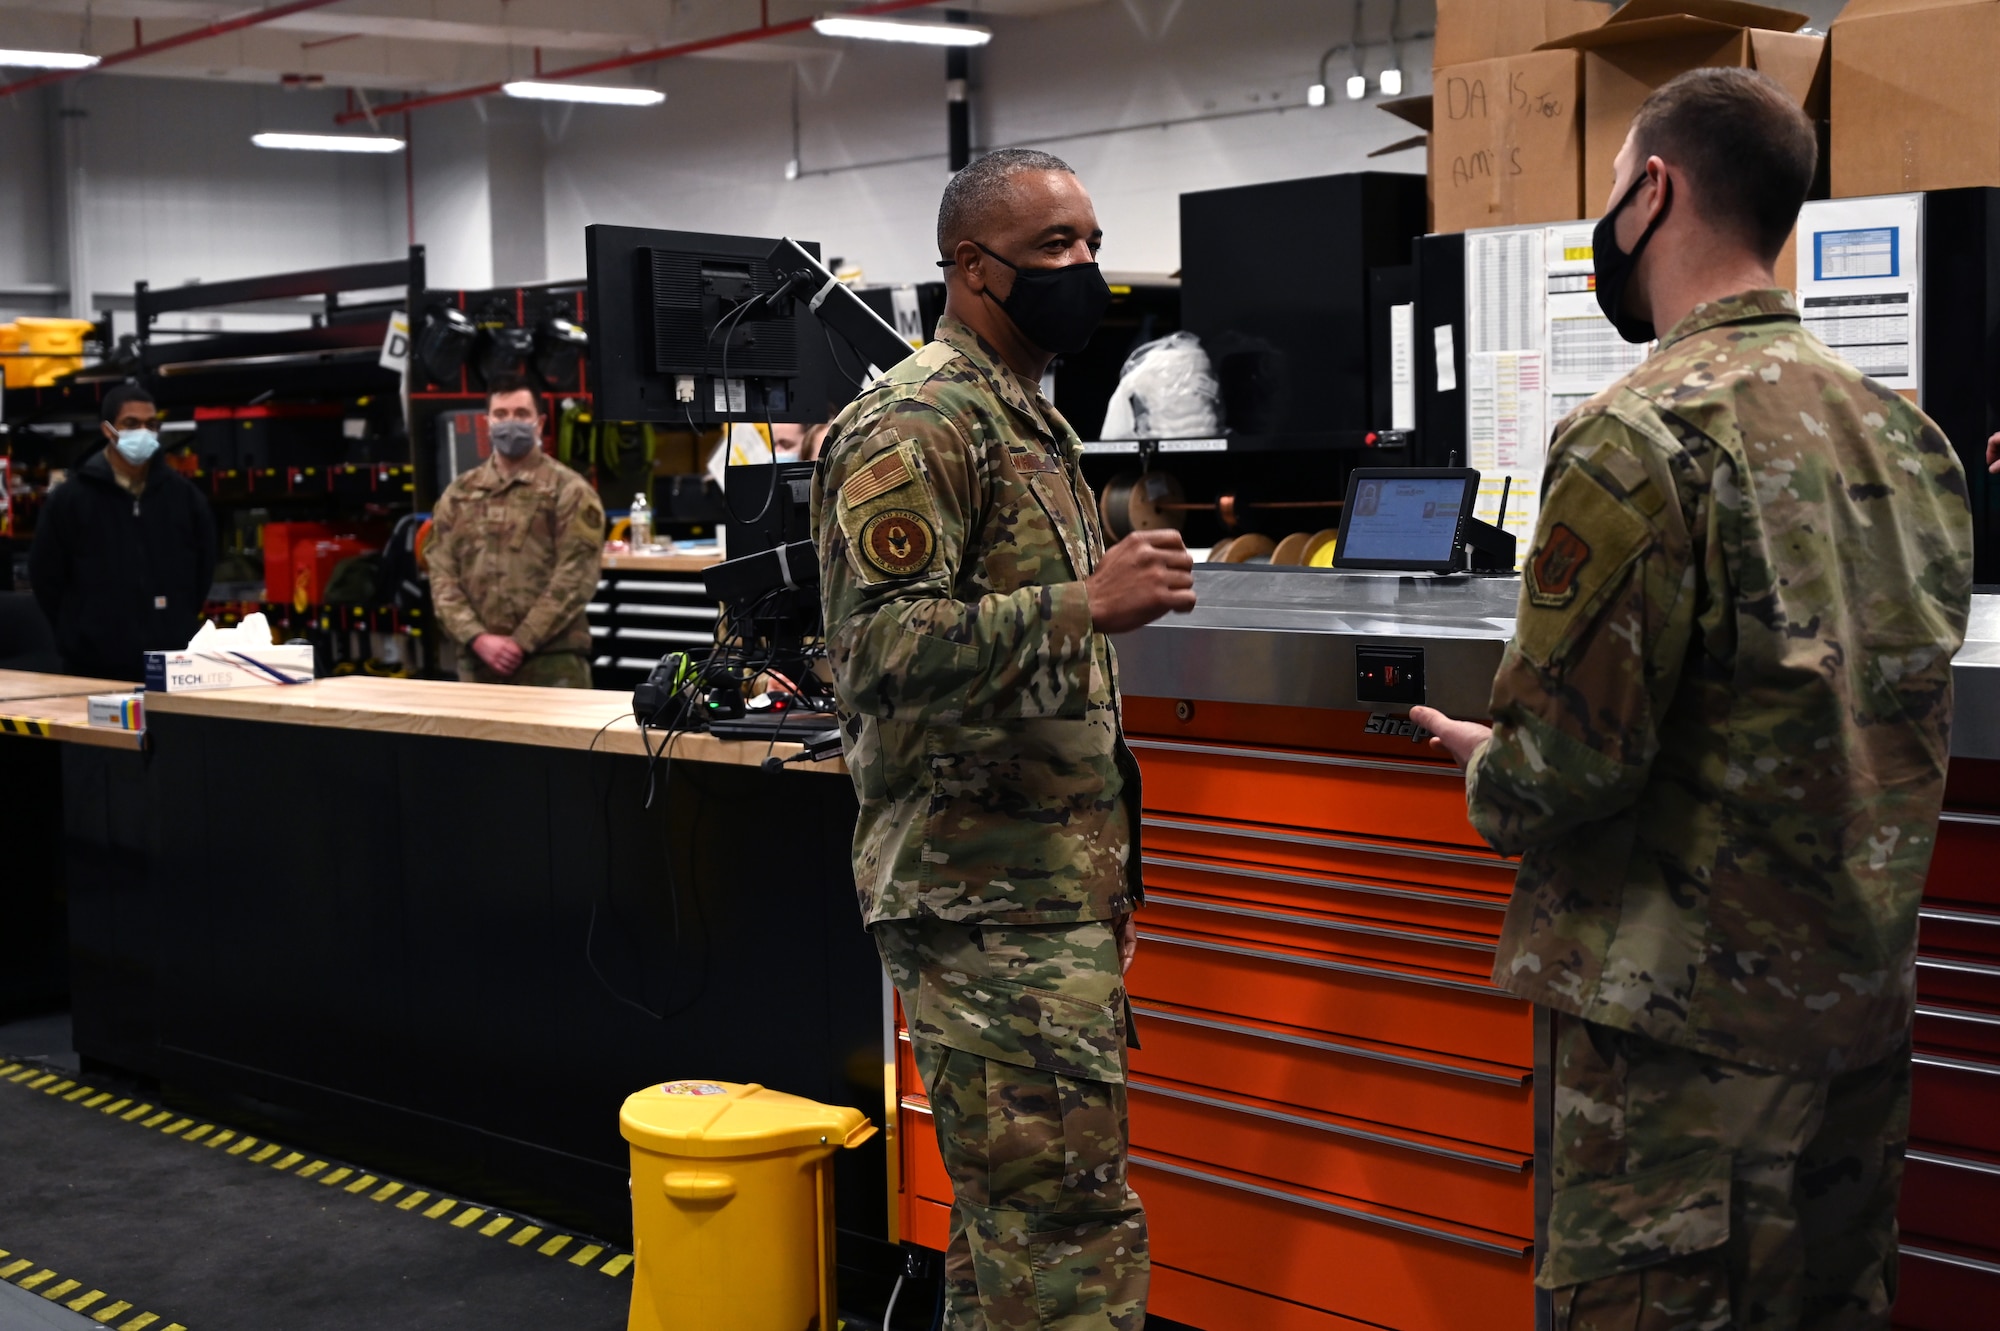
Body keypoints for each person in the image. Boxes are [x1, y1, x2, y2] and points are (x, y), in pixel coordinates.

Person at [1410, 69, 1974, 1330]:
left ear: (1651, 188)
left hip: (1678, 1054)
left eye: (1610, 184)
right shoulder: (1903, 434)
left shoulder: (1635, 435)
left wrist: (1484, 762)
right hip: (1851, 1021)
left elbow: (1562, 764)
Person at [811, 147, 1195, 1331]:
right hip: (981, 902)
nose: (1086, 267)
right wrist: (1083, 601)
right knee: (1067, 1242)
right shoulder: (918, 418)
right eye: (1053, 249)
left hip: (1040, 891)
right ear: (972, 268)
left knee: (1009, 1241)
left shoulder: (1027, 419)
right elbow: (870, 652)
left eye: (1089, 240)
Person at [29, 383, 216, 681]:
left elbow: (202, 570)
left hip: (172, 664)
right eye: (131, 424)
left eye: (150, 424)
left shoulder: (185, 499)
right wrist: (80, 632)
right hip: (92, 668)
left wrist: (173, 621)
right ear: (107, 430)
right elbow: (45, 575)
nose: (142, 432)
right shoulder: (70, 500)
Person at [427, 376, 605, 688]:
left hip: (552, 661)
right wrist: (478, 638)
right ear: (487, 422)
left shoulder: (569, 490)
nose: (511, 423)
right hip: (477, 661)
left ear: (540, 423)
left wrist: (522, 641)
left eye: (521, 414)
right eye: (501, 414)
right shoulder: (459, 494)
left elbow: (576, 577)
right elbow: (441, 573)